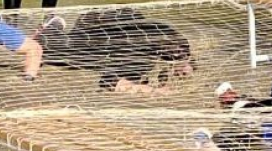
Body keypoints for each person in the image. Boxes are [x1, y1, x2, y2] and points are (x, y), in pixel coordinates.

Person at [37, 8, 194, 95]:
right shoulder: (140, 58)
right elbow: (108, 83)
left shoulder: (162, 30)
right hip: (91, 35)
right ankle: (50, 28)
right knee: (58, 54)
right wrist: (155, 91)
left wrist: (186, 63)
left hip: (100, 19)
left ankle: (54, 25)